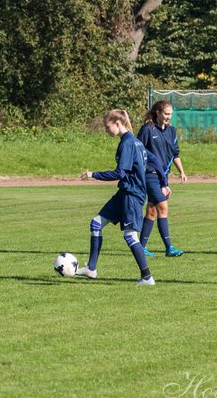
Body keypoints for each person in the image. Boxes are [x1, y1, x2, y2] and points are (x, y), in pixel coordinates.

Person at [77, 109, 155, 286]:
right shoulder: (134, 142)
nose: (106, 130)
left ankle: (147, 277)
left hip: (131, 195)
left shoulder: (128, 143)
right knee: (96, 223)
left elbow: (120, 173)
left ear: (117, 123)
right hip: (124, 193)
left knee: (130, 236)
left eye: (107, 127)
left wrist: (93, 174)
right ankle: (91, 268)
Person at [137, 100, 188, 257]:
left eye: (171, 114)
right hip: (150, 174)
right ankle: (169, 248)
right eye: (166, 114)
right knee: (163, 207)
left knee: (152, 211)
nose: (169, 117)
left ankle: (141, 247)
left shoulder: (171, 131)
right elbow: (137, 151)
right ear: (158, 113)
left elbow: (175, 153)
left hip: (163, 175)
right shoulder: (147, 129)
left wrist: (182, 172)